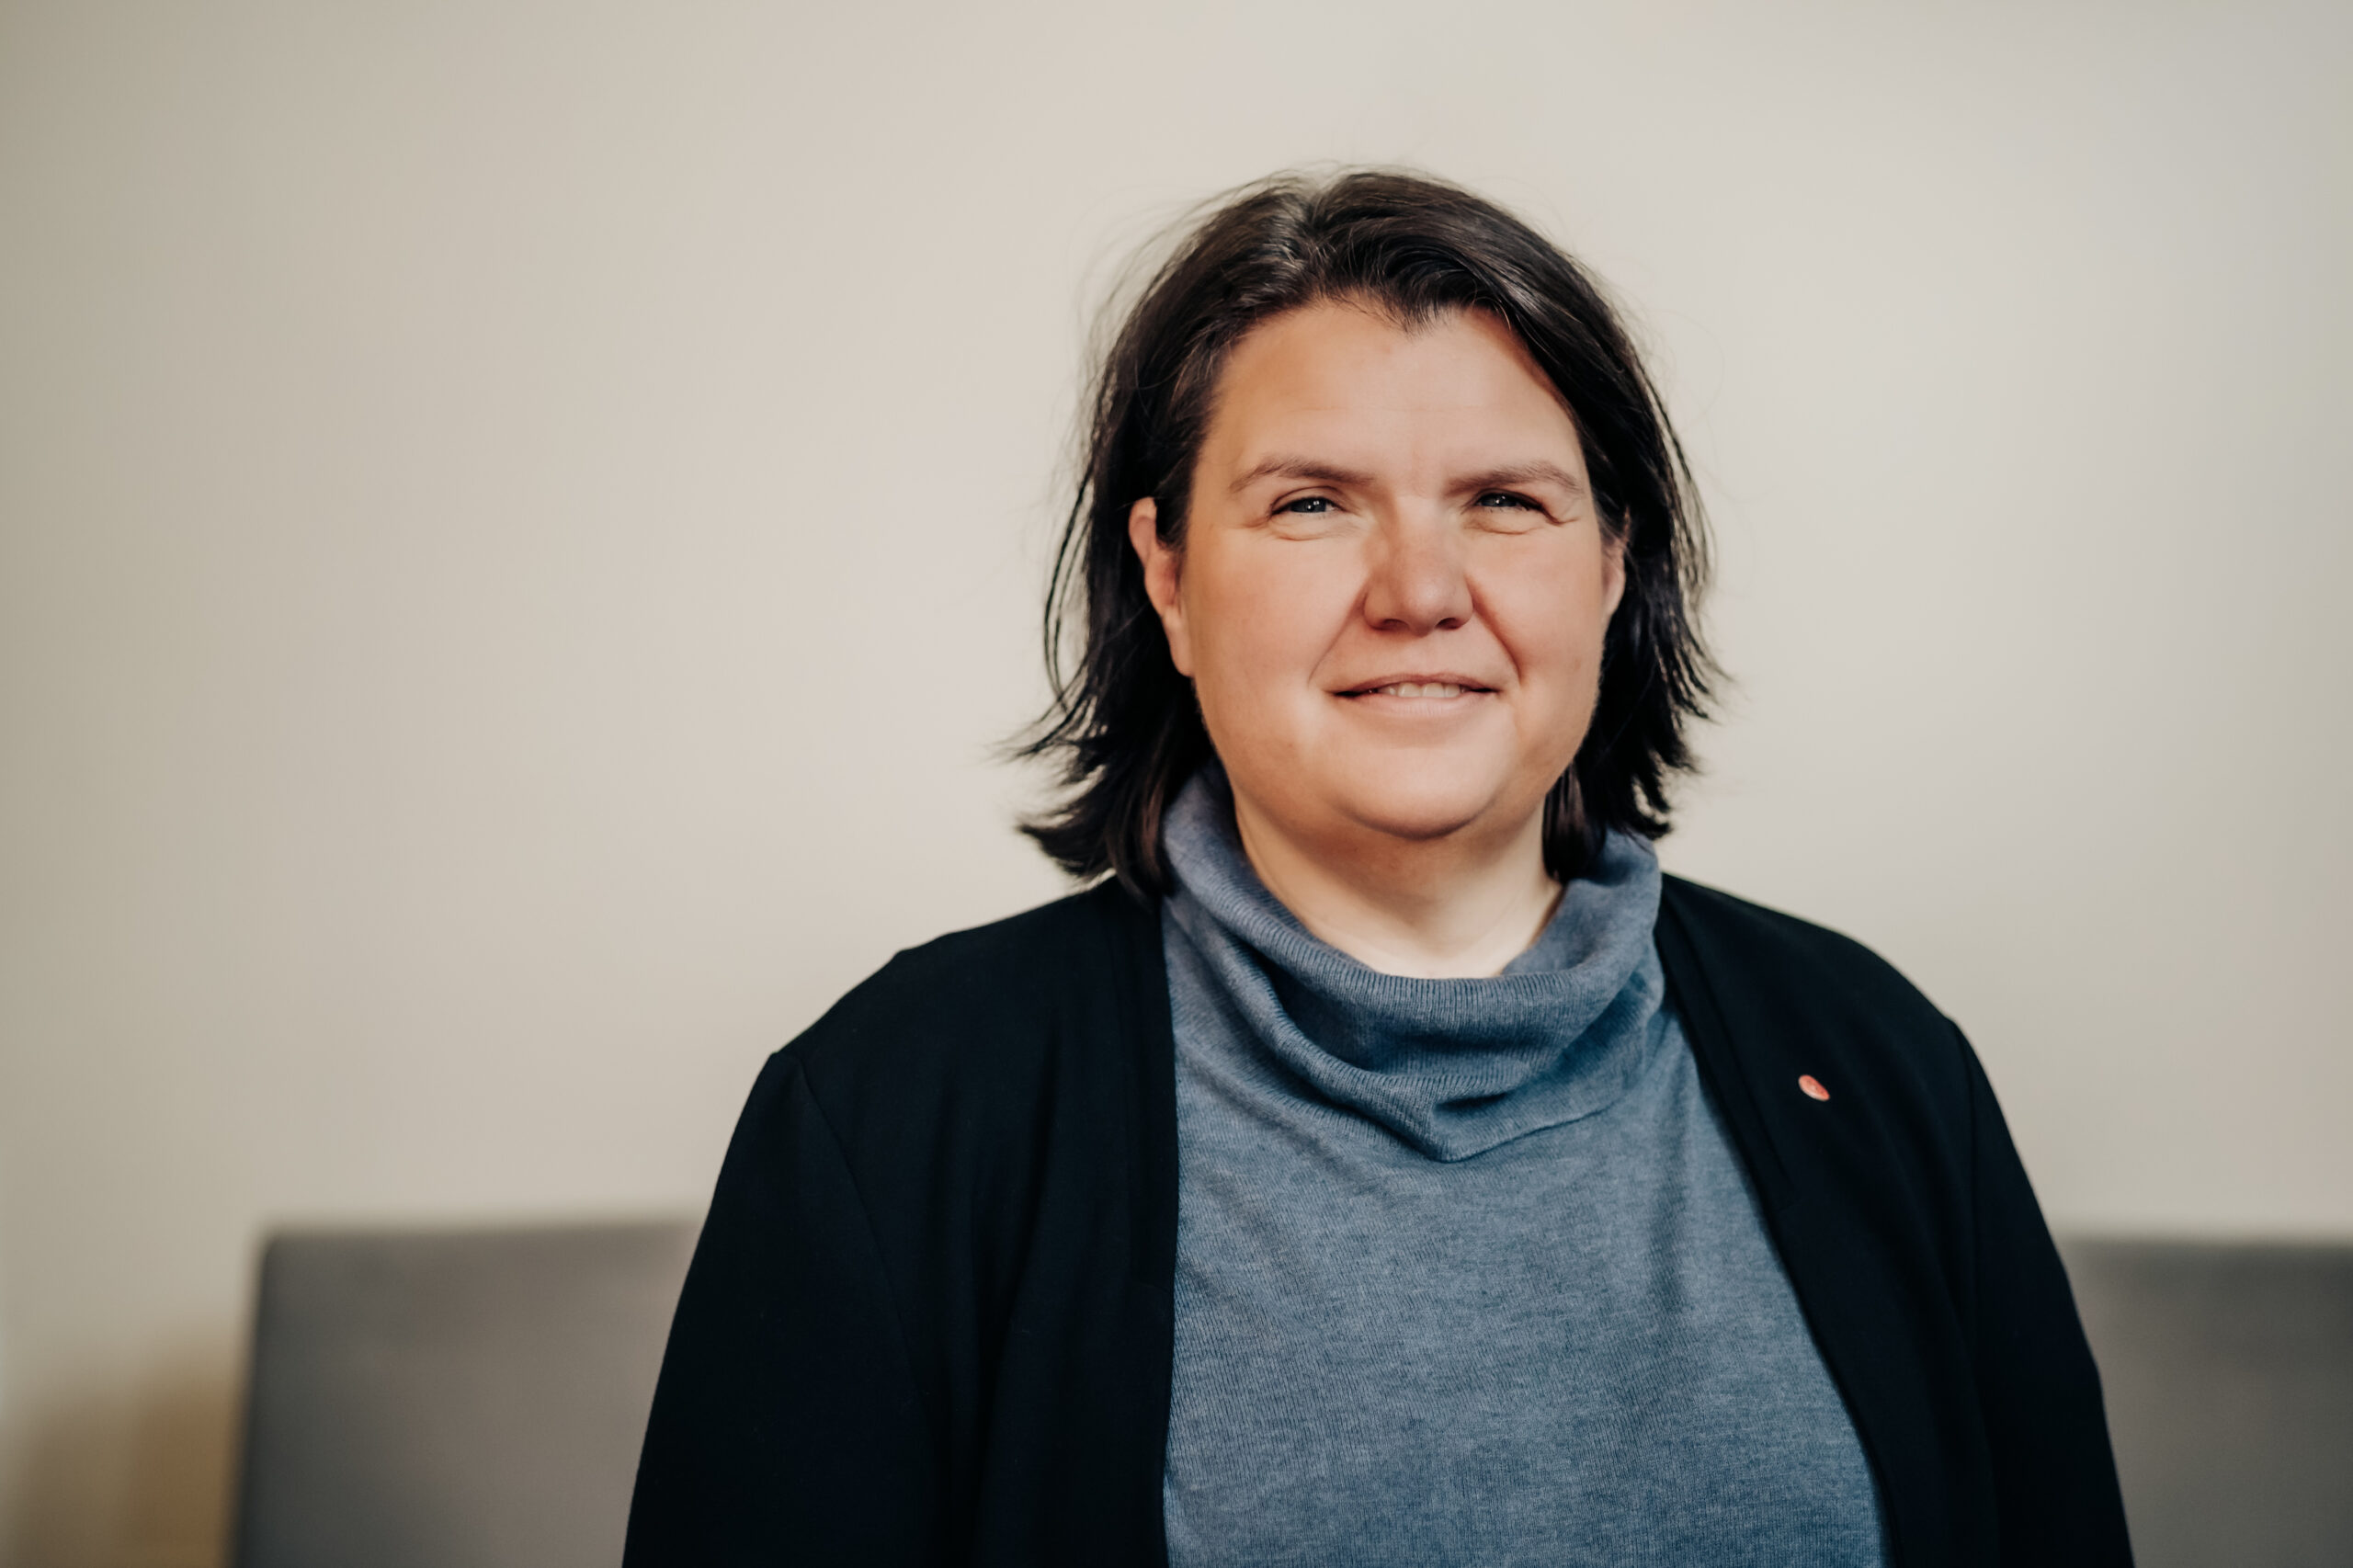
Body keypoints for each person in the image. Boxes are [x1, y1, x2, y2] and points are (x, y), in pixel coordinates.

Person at [622, 171, 2131, 1568]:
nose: (1419, 591)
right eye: (1311, 502)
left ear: (1613, 563)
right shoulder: (890, 1114)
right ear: (1168, 575)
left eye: (1505, 500)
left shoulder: (1879, 1060)